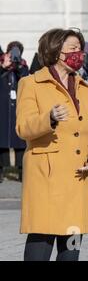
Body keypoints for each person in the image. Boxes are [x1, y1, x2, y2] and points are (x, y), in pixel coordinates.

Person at [16, 28, 88, 261]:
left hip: (79, 183)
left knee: (70, 254)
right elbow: (23, 128)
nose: (80, 54)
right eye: (73, 49)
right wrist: (49, 118)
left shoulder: (85, 89)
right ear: (56, 51)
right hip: (47, 183)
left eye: (80, 49)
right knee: (39, 252)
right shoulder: (31, 84)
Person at [0, 41, 29, 182]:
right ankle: (1, 169)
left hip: (18, 108)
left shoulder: (23, 66)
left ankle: (22, 171)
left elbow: (26, 80)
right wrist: (4, 67)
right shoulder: (2, 64)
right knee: (2, 140)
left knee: (20, 140)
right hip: (3, 108)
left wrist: (18, 67)